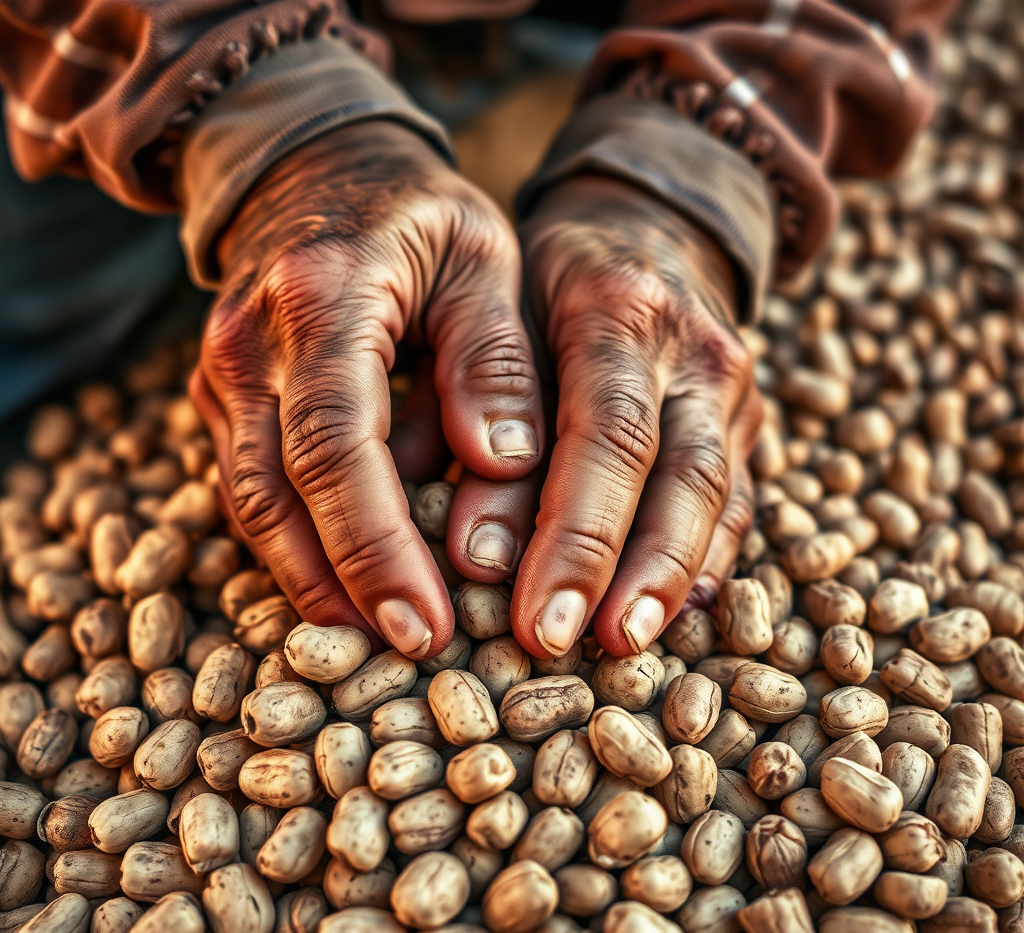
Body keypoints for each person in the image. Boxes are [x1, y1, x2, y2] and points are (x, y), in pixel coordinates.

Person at [0, 0, 954, 661]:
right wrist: (271, 125)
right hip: (148, 24)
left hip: (608, 22)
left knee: (609, 328)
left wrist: (681, 170)